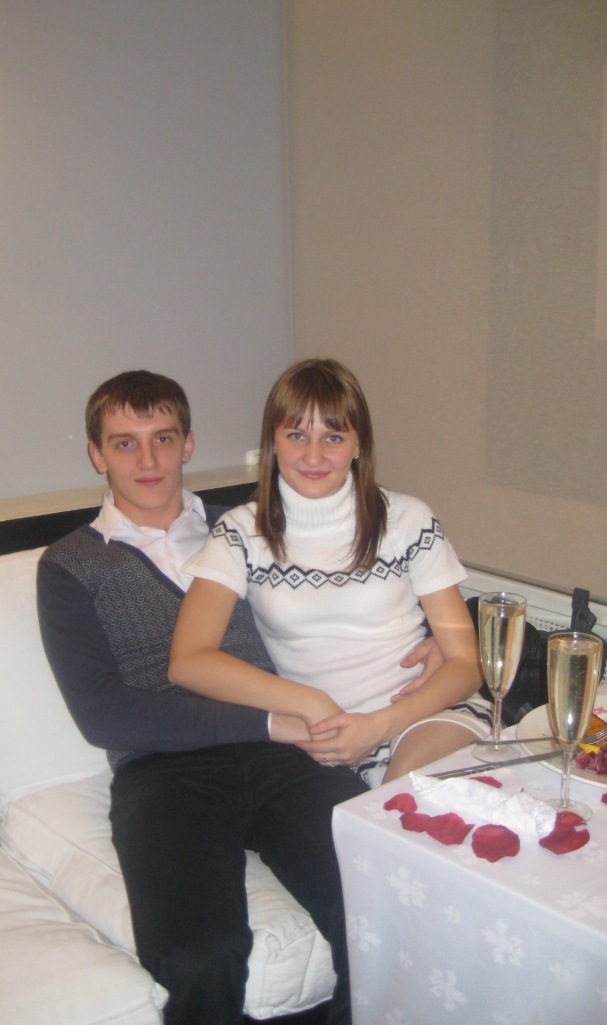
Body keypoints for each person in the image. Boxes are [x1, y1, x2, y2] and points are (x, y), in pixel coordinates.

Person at [36, 369, 378, 1025]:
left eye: (163, 438)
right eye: (125, 443)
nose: (148, 460)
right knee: (200, 955)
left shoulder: (253, 527)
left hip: (286, 763)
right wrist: (273, 720)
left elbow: (349, 602)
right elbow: (105, 714)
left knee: (381, 905)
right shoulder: (70, 565)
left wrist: (423, 643)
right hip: (165, 774)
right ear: (97, 454)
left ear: (188, 444)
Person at [169, 358, 489, 788]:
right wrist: (310, 703)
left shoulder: (407, 520)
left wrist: (380, 725)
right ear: (273, 441)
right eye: (297, 435)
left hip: (425, 718)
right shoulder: (240, 533)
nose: (314, 456)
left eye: (333, 437)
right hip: (328, 739)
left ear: (358, 444)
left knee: (404, 800)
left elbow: (467, 663)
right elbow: (188, 661)